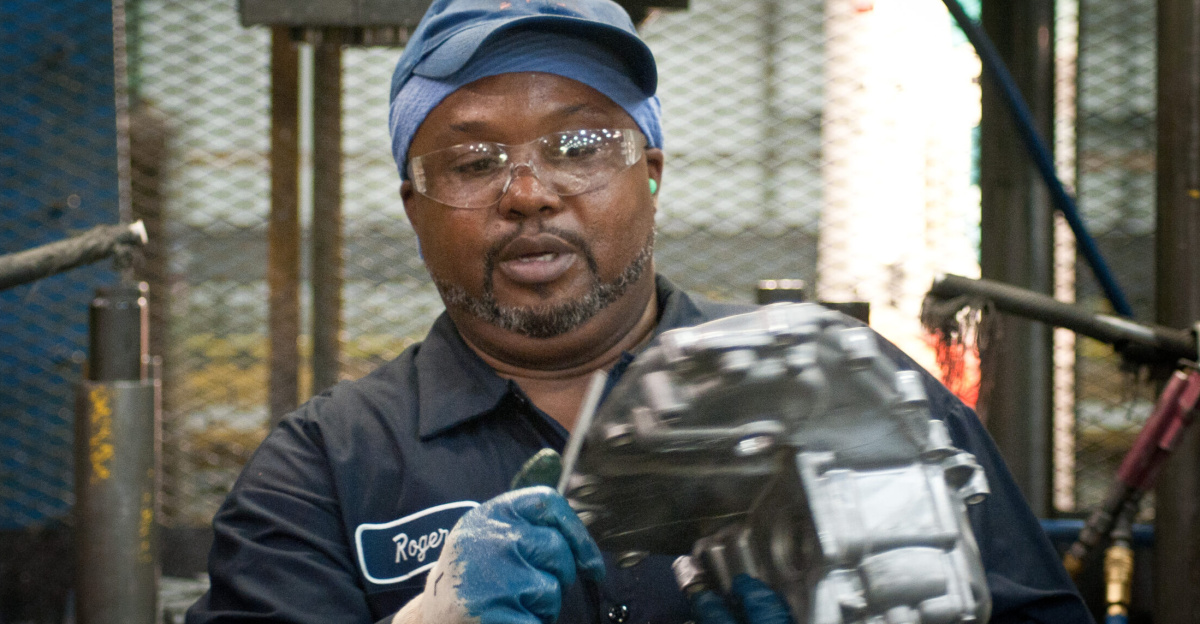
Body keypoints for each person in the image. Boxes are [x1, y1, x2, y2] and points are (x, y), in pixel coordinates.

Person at [186, 0, 1094, 623]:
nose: (530, 193)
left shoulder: (835, 392)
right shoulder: (323, 472)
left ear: (649, 175)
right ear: (413, 205)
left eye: (580, 144)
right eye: (471, 163)